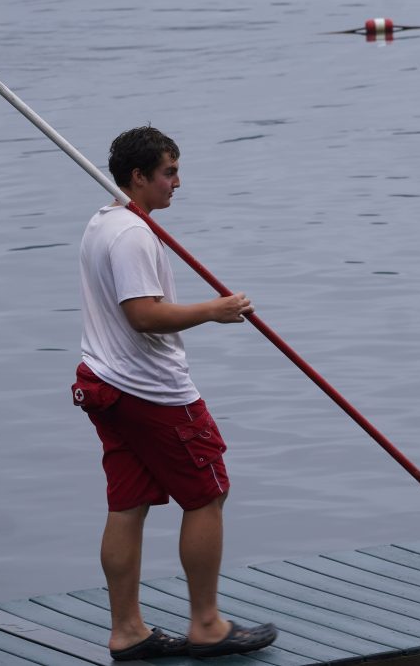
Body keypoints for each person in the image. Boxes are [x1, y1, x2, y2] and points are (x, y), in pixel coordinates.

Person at [72, 126, 277, 661]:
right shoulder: (132, 235)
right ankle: (207, 625)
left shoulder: (103, 222)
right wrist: (215, 310)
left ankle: (128, 631)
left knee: (129, 502)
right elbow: (142, 315)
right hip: (151, 391)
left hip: (105, 383)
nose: (177, 183)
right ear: (138, 177)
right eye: (168, 172)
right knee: (207, 493)